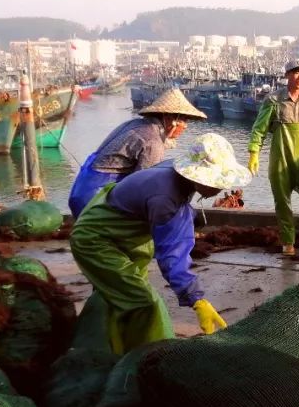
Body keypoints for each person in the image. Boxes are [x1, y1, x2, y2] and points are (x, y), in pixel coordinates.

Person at [69, 133, 251, 354]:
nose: (220, 189)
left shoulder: (173, 175)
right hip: (96, 240)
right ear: (196, 176)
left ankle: (115, 349)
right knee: (141, 301)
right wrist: (196, 298)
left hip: (121, 233)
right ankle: (142, 357)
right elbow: (172, 255)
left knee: (119, 296)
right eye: (215, 181)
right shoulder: (165, 199)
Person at [68, 88, 206, 217]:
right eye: (183, 120)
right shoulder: (152, 141)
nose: (185, 126)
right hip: (95, 200)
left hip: (80, 192)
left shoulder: (134, 124)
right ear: (169, 118)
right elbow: (144, 186)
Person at [246, 58, 299, 256]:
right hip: (280, 158)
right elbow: (259, 128)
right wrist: (254, 153)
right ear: (287, 75)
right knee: (282, 201)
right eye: (296, 73)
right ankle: (288, 241)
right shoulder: (273, 100)